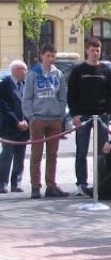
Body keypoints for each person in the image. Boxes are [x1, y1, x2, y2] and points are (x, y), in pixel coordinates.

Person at [67, 37, 111, 196]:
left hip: (101, 115)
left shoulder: (106, 71)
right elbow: (71, 93)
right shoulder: (78, 70)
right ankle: (81, 183)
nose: (95, 53)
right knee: (81, 150)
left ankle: (101, 182)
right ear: (87, 50)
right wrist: (74, 114)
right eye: (92, 50)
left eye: (98, 50)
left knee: (102, 151)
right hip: (83, 115)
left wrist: (108, 111)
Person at [23, 44, 69, 199]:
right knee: (36, 154)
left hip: (54, 119)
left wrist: (60, 115)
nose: (50, 59)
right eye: (48, 55)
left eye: (53, 56)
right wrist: (31, 117)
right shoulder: (33, 74)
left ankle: (51, 185)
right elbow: (27, 98)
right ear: (42, 56)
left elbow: (62, 97)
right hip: (38, 118)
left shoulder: (58, 74)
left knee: (52, 154)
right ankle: (35, 186)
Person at [0, 60, 29, 193]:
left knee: (20, 156)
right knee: (7, 154)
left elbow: (29, 103)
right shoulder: (4, 85)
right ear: (16, 70)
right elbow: (4, 106)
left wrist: (26, 121)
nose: (26, 72)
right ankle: (2, 183)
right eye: (24, 69)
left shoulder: (26, 84)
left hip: (24, 127)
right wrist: (16, 121)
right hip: (9, 127)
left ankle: (16, 183)